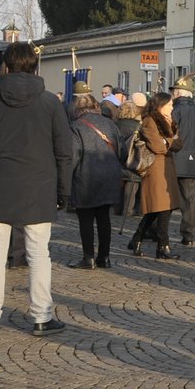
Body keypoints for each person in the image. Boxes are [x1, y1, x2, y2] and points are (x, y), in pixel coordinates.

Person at [0, 41, 73, 336]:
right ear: (35, 66)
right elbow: (64, 152)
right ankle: (42, 316)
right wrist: (64, 191)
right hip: (39, 185)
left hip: (0, 183)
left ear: (5, 66)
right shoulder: (50, 102)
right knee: (39, 255)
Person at [69, 85, 123, 269]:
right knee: (103, 218)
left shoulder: (75, 127)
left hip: (86, 177)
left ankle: (88, 257)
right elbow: (121, 150)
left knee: (85, 219)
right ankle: (104, 257)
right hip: (110, 176)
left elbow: (72, 157)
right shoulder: (110, 124)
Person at [127, 92, 182, 260]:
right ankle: (163, 246)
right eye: (169, 104)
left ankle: (137, 238)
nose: (172, 107)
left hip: (167, 167)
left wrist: (168, 142)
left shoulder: (169, 121)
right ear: (160, 105)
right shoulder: (150, 121)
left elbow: (179, 143)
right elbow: (158, 147)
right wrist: (168, 142)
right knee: (162, 208)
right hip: (155, 168)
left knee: (159, 209)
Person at [169, 76, 195, 248]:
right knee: (188, 199)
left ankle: (156, 230)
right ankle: (189, 234)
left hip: (173, 157)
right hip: (191, 158)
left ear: (177, 93)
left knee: (165, 197)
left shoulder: (174, 111)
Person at [114, 97, 143, 222]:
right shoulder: (137, 125)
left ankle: (118, 207)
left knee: (119, 181)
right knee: (132, 181)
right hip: (131, 156)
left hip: (117, 156)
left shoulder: (115, 124)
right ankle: (128, 209)